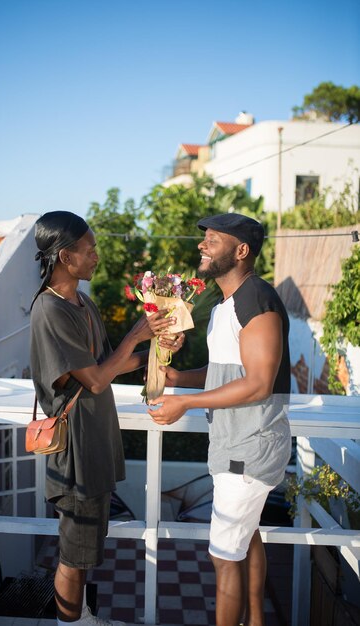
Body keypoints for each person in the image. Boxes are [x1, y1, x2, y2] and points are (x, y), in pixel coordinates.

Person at [30, 211, 182, 626]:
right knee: (73, 556)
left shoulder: (83, 302)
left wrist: (160, 347)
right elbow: (96, 380)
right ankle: (71, 623)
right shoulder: (50, 310)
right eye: (89, 248)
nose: (97, 255)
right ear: (64, 257)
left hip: (96, 443)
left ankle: (81, 618)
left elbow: (113, 365)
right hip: (75, 450)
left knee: (86, 552)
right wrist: (137, 333)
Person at [149, 213, 291, 626]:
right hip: (235, 442)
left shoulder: (256, 300)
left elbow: (260, 383)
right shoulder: (226, 304)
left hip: (250, 446)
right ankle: (256, 622)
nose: (202, 246)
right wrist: (180, 379)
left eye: (213, 239)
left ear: (241, 251)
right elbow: (228, 373)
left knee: (223, 554)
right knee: (246, 538)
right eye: (204, 239)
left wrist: (186, 405)